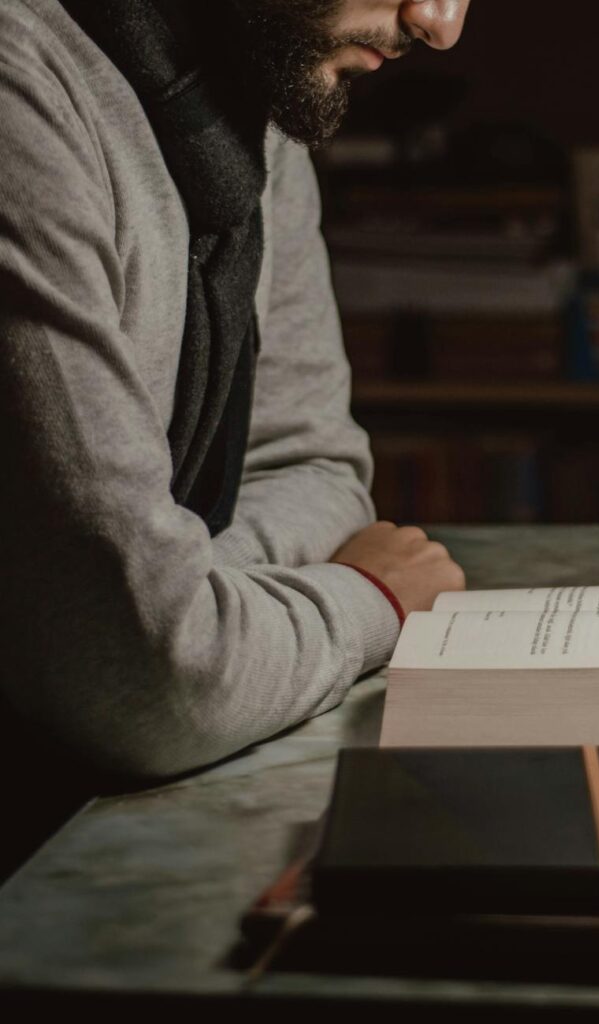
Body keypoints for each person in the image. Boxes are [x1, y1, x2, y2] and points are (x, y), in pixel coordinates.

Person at [0, 0, 469, 871]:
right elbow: (146, 684)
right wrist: (373, 599)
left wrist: (192, 599)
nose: (438, 24)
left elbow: (318, 468)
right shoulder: (19, 95)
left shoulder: (258, 88)